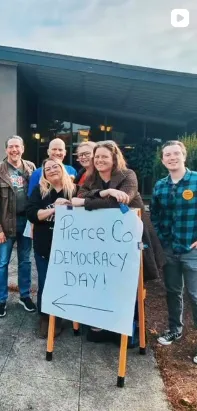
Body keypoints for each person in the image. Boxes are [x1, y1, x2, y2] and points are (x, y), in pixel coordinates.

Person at [72, 140, 164, 344]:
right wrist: (105, 192)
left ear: (114, 158)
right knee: (106, 281)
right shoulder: (91, 178)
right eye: (97, 157)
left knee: (130, 283)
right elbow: (77, 196)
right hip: (103, 241)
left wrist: (88, 202)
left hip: (133, 238)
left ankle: (130, 327)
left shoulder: (128, 175)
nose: (99, 160)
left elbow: (118, 203)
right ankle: (105, 325)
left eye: (104, 156)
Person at [150, 140, 197, 363]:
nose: (171, 157)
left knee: (195, 296)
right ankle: (174, 330)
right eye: (167, 155)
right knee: (173, 291)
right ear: (163, 160)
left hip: (191, 249)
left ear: (183, 156)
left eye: (176, 153)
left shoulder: (196, 180)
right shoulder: (160, 185)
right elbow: (155, 215)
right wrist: (160, 238)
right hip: (169, 248)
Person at [27, 158, 77, 338]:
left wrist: (70, 205)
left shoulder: (74, 190)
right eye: (48, 169)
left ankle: (63, 315)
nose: (52, 170)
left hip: (69, 248)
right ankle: (46, 316)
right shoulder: (39, 192)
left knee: (66, 281)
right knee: (45, 281)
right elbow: (32, 214)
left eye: (56, 166)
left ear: (62, 169)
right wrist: (53, 210)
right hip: (44, 245)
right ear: (44, 174)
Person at [0, 135, 36, 318]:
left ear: (22, 148)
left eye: (17, 146)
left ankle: (24, 296)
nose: (14, 150)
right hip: (6, 223)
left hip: (26, 222)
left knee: (25, 261)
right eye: (11, 147)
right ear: (6, 149)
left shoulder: (30, 167)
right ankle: (1, 300)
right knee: (2, 263)